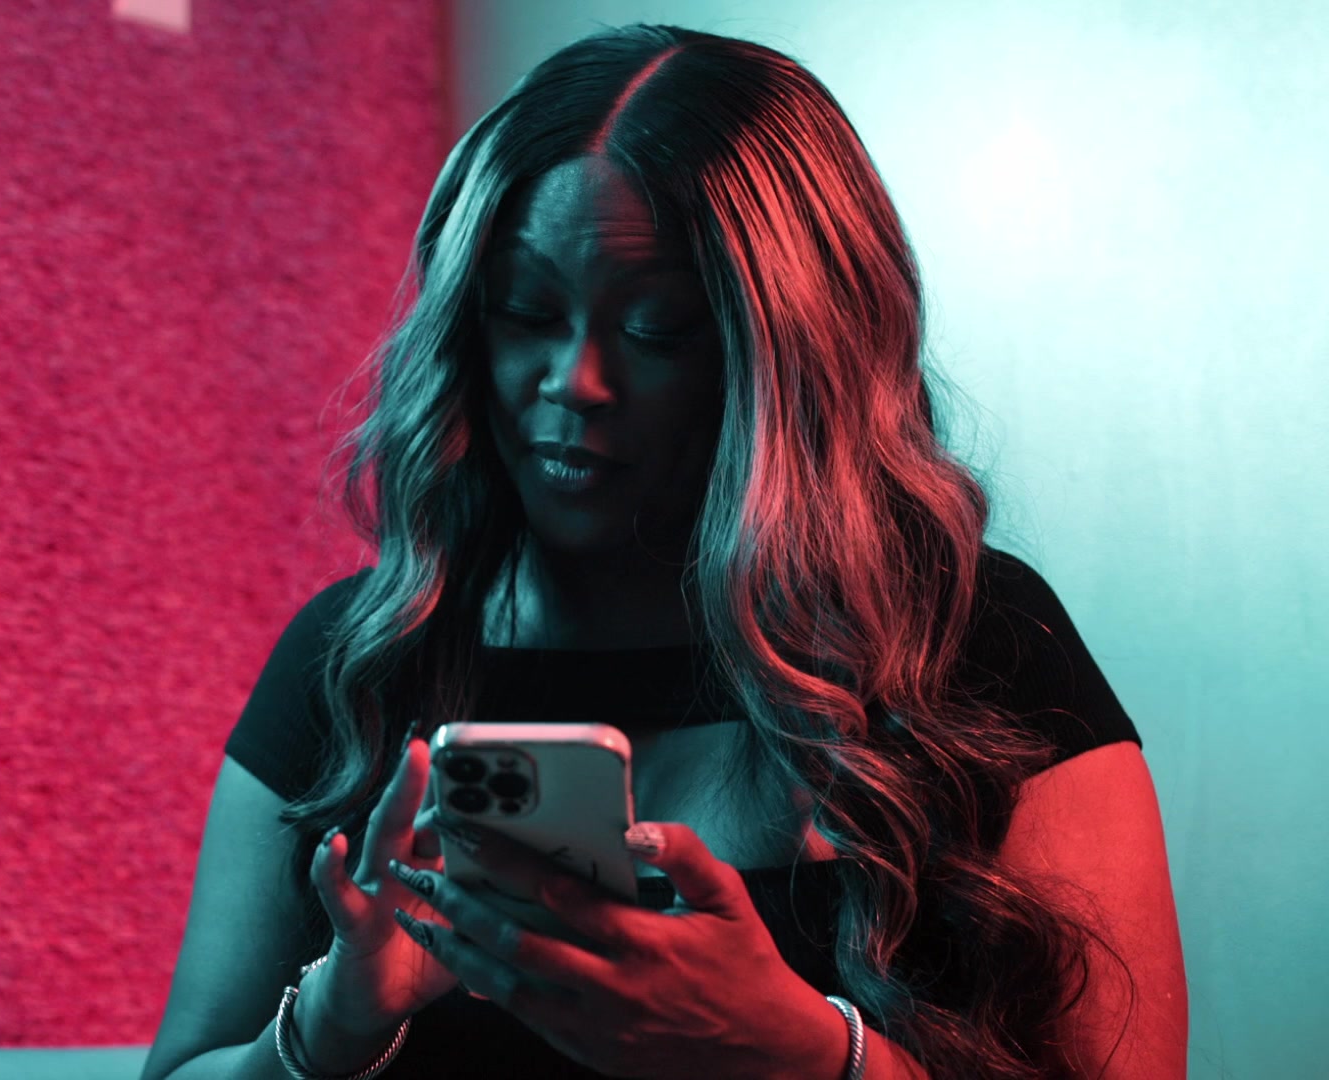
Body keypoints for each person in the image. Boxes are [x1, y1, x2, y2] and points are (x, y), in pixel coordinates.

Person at [140, 23, 1186, 1080]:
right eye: (524, 312)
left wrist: (808, 1054)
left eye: (656, 330)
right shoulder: (360, 661)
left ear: (790, 354)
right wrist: (328, 1026)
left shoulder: (979, 651)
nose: (574, 381)